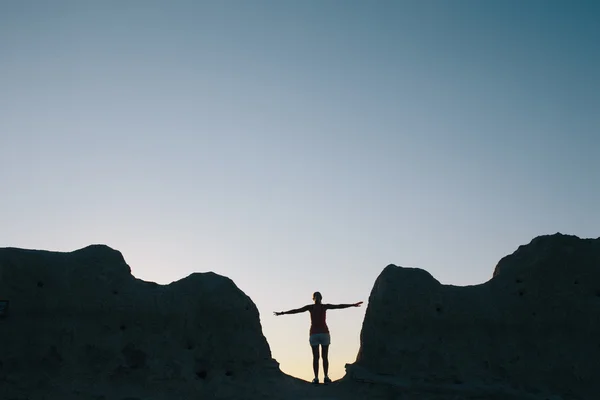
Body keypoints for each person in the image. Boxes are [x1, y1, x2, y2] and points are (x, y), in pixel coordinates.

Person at [274, 292, 363, 384]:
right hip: (315, 334)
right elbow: (296, 310)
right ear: (313, 298)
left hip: (323, 333)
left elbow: (339, 306)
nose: (317, 298)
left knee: (324, 357)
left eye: (318, 296)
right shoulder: (310, 307)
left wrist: (352, 305)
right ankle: (316, 378)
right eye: (315, 296)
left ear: (321, 298)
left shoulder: (324, 306)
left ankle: (325, 377)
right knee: (316, 357)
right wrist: (282, 313)